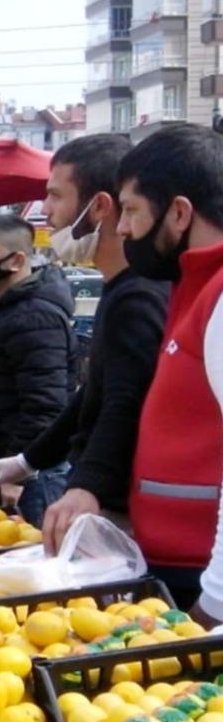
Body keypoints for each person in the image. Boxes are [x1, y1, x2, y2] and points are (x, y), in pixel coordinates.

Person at [0, 135, 169, 552]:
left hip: (119, 512)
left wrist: (88, 486)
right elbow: (92, 396)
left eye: (55, 195)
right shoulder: (119, 289)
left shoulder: (139, 297)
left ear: (99, 206)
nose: (46, 211)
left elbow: (125, 401)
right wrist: (27, 461)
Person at [108, 124, 223, 616]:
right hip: (173, 565)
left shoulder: (218, 293)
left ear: (179, 212)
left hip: (203, 582)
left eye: (132, 209)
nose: (121, 228)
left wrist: (214, 605)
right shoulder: (189, 286)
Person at [0, 213, 77, 525]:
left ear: (16, 261)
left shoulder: (35, 318)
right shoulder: (1, 308)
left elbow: (45, 406)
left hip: (31, 479)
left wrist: (17, 473)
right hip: (1, 469)